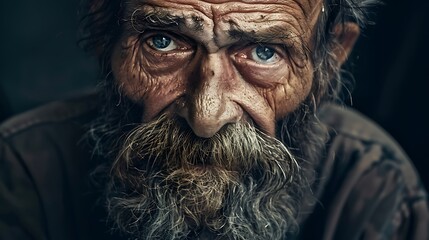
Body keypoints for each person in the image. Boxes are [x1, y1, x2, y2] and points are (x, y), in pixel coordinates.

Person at [0, 0, 428, 239]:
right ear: (104, 36)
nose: (206, 116)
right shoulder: (24, 173)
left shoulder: (370, 188)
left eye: (263, 52)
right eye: (164, 42)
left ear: (331, 56)